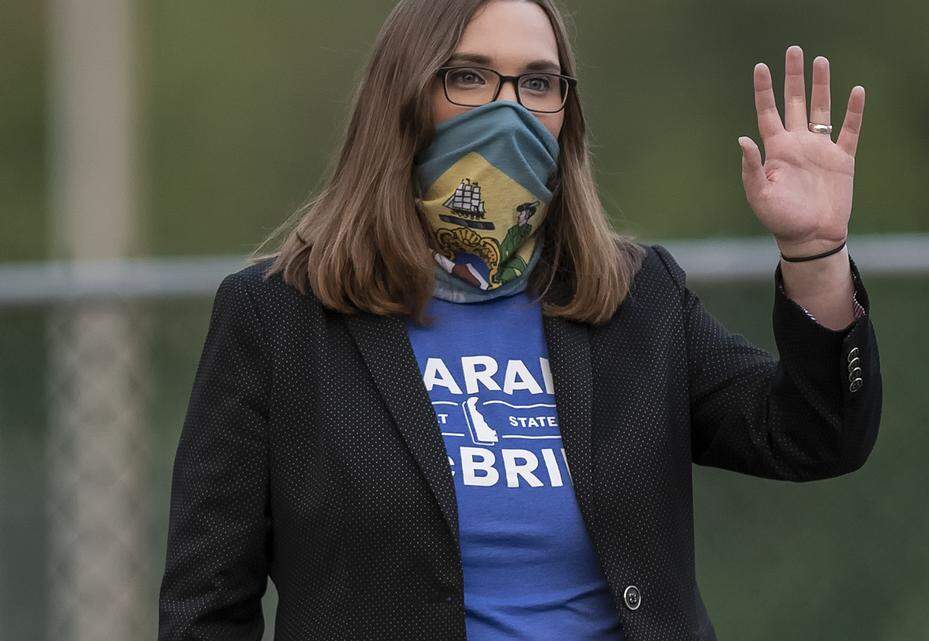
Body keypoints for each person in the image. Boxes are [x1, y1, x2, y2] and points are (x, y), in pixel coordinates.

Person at [156, 0, 881, 639]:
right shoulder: (279, 319)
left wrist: (814, 252)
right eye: (468, 76)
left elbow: (812, 434)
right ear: (401, 100)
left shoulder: (638, 301)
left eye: (538, 82)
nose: (508, 109)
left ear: (567, 115)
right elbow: (206, 606)